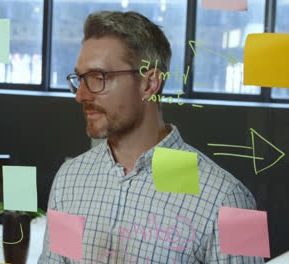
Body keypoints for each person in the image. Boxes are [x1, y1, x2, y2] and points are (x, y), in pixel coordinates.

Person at [38, 11, 264, 263]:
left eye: (98, 78)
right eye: (80, 79)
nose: (80, 95)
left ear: (149, 84)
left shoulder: (233, 201)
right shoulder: (69, 178)